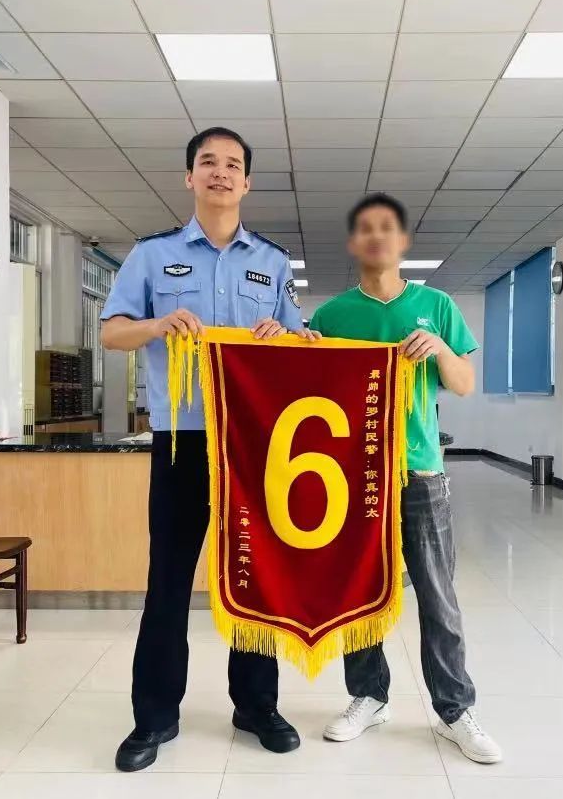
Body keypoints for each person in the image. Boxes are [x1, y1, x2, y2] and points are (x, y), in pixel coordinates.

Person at [101, 127, 304, 772]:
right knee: (168, 579)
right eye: (208, 163)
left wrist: (285, 340)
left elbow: (303, 345)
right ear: (190, 177)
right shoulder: (152, 255)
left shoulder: (271, 263)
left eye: (233, 165)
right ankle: (154, 718)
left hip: (254, 442)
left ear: (247, 182)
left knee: (256, 576)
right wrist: (158, 324)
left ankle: (257, 706)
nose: (221, 172)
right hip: (182, 443)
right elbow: (111, 333)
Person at [307, 193, 503, 765]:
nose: (376, 237)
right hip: (352, 476)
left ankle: (455, 710)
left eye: (387, 228)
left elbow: (464, 382)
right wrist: (306, 349)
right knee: (359, 594)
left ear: (403, 242)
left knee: (437, 597)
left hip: (419, 472)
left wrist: (439, 348)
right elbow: (310, 390)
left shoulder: (436, 305)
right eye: (365, 229)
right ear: (353, 244)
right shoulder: (333, 315)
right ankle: (369, 695)